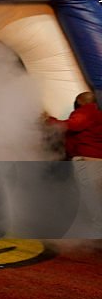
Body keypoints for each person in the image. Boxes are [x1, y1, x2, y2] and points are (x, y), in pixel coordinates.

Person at [45, 91, 102, 232]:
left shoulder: (87, 111)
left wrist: (49, 119)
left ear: (80, 102)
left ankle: (98, 227)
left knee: (90, 193)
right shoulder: (96, 113)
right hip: (95, 159)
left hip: (87, 159)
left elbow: (71, 125)